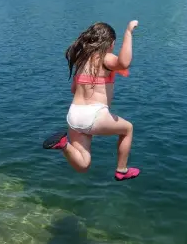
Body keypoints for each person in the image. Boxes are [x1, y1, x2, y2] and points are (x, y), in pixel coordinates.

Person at [43, 20, 140, 181]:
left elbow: (74, 90)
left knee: (83, 164)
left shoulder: (82, 61)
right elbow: (124, 62)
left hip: (74, 115)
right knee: (128, 129)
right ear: (110, 43)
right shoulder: (105, 57)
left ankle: (63, 145)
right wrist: (128, 33)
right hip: (94, 115)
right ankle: (121, 170)